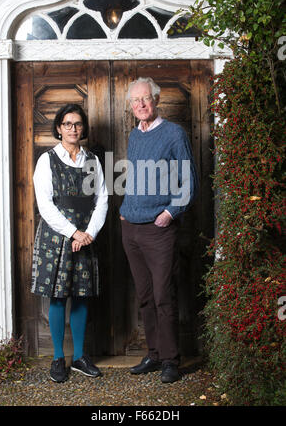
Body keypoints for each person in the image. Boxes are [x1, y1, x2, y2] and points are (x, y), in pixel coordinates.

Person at [120, 78, 198, 383]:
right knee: (145, 296)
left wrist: (170, 212)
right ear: (131, 106)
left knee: (165, 295)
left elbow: (189, 181)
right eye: (135, 101)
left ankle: (170, 361)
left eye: (146, 99)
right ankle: (153, 354)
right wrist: (126, 212)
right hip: (132, 229)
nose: (140, 105)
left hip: (159, 229)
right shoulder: (134, 136)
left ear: (156, 100)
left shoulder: (174, 134)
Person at [31, 103, 108, 383]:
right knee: (59, 295)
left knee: (82, 294)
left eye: (77, 124)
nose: (73, 128)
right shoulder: (47, 160)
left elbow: (102, 199)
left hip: (86, 235)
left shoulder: (93, 161)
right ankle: (57, 359)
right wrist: (74, 233)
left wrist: (89, 233)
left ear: (83, 128)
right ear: (59, 129)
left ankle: (78, 357)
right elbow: (46, 206)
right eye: (67, 124)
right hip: (57, 236)